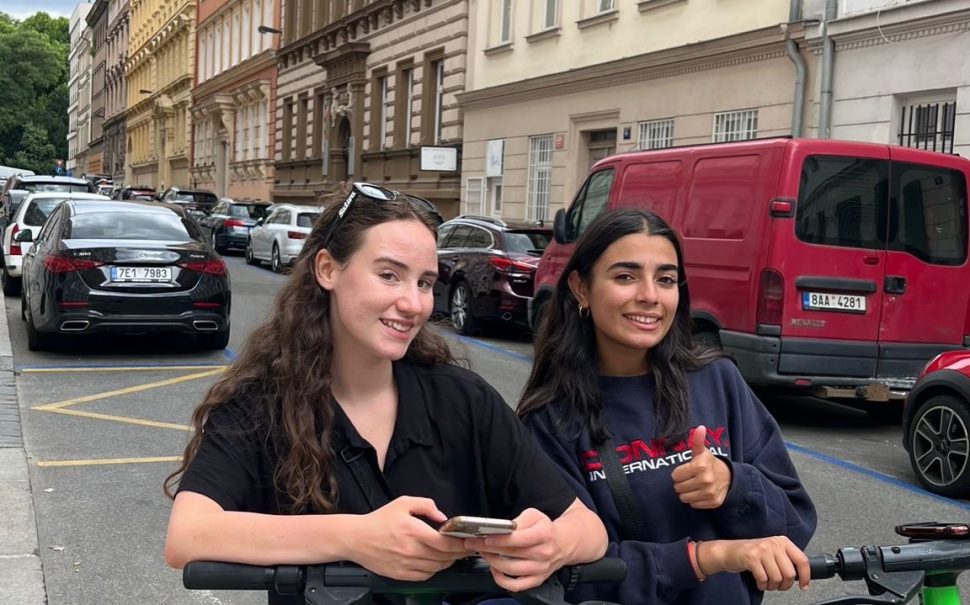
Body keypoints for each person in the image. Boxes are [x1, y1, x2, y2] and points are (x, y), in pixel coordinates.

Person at [163, 182, 608, 605]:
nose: (413, 304)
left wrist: (551, 545)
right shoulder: (261, 406)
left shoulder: (463, 400)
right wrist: (354, 538)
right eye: (389, 275)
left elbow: (589, 529)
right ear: (327, 269)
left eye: (425, 283)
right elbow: (188, 536)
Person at [518, 208, 817, 605]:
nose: (650, 296)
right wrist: (705, 558)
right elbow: (567, 575)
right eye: (625, 277)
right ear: (581, 288)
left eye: (666, 279)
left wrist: (734, 485)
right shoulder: (548, 420)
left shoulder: (718, 381)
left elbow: (796, 525)